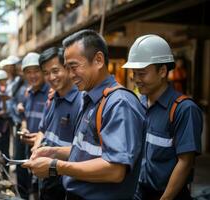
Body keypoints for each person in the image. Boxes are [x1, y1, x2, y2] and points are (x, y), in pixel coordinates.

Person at [23, 29, 146, 200]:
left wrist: (56, 166)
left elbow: (115, 170)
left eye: (74, 67)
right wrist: (54, 152)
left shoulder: (119, 103)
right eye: (67, 68)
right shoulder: (90, 99)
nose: (71, 75)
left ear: (98, 60)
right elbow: (89, 152)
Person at [122, 34, 202, 200]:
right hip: (138, 192)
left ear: (163, 71)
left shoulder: (184, 109)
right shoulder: (140, 103)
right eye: (134, 73)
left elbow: (185, 162)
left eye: (142, 74)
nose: (136, 80)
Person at [32, 47, 83, 200]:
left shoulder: (81, 102)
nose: (51, 77)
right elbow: (43, 130)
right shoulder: (53, 99)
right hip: (47, 179)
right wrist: (37, 147)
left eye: (55, 71)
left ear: (67, 69)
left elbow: (84, 151)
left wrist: (51, 154)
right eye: (46, 73)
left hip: (67, 183)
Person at [18, 52, 49, 200]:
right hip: (29, 149)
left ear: (43, 71)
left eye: (36, 71)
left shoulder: (51, 93)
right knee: (33, 185)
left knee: (43, 188)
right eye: (28, 72)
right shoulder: (28, 93)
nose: (33, 76)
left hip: (46, 151)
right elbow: (24, 117)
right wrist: (24, 128)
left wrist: (39, 138)